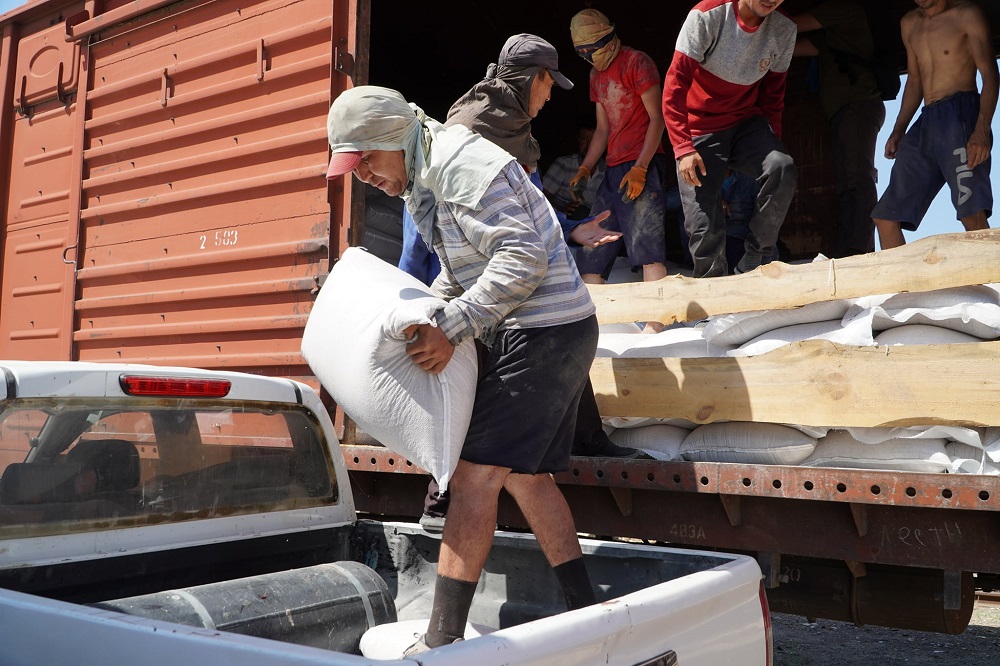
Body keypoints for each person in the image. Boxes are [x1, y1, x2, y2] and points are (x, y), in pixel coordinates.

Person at [326, 85, 600, 653]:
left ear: (393, 137)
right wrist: (428, 309)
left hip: (541, 331)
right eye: (355, 169)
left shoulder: (458, 165)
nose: (365, 177)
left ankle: (441, 640)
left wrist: (450, 326)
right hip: (554, 328)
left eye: (367, 161)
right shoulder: (425, 176)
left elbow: (522, 258)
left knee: (473, 479)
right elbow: (463, 268)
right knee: (525, 477)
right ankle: (589, 613)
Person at [399, 34, 621, 288]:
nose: (549, 96)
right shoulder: (465, 134)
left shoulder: (519, 137)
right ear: (531, 79)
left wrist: (572, 229)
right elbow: (420, 217)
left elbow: (531, 205)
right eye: (549, 84)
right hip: (452, 284)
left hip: (498, 284)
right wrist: (414, 293)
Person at [663, 0, 798, 278]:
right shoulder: (707, 16)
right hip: (700, 125)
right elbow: (674, 87)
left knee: (781, 166)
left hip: (745, 121)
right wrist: (683, 147)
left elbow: (774, 97)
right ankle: (712, 291)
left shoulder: (784, 28)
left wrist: (770, 145)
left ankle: (756, 255)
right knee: (703, 222)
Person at [871, 0, 997, 249]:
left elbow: (990, 74)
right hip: (927, 120)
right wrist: (899, 129)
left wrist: (982, 130)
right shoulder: (910, 23)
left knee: (971, 212)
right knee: (885, 217)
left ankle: (993, 272)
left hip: (961, 114)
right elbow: (915, 80)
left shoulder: (966, 14)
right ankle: (902, 275)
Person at [568, 9, 670, 297]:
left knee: (648, 247)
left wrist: (641, 168)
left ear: (608, 38)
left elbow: (658, 118)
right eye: (582, 52)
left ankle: (656, 318)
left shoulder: (637, 62)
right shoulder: (595, 75)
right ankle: (596, 318)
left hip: (642, 164)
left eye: (591, 49)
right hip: (613, 169)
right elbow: (602, 130)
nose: (589, 57)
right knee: (594, 243)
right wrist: (586, 167)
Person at [793, 1, 887, 258]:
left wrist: (749, 25)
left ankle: (859, 248)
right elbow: (792, 47)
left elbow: (791, 25)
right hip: (844, 111)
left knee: (857, 177)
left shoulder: (844, 7)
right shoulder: (832, 37)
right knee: (846, 182)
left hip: (858, 105)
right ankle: (848, 249)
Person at [543, 126, 606, 221]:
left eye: (594, 139)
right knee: (578, 211)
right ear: (578, 140)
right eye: (584, 139)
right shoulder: (564, 164)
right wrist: (562, 210)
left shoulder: (608, 172)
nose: (589, 144)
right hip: (561, 221)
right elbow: (541, 197)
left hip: (593, 222)